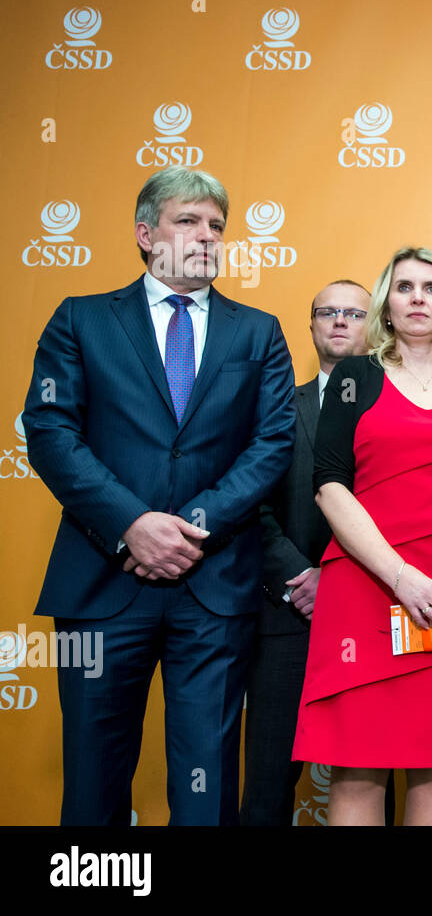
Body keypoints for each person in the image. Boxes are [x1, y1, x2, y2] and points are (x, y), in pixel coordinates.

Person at [22, 166, 296, 825]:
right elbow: (51, 432)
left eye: (217, 226)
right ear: (146, 234)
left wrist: (188, 526)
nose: (207, 236)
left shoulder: (257, 332)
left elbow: (272, 444)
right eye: (188, 220)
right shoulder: (80, 320)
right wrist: (132, 524)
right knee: (92, 784)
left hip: (213, 583)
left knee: (206, 789)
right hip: (100, 580)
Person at [293, 247, 432, 826]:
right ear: (386, 306)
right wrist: (401, 576)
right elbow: (329, 486)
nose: (418, 298)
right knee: (358, 766)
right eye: (404, 287)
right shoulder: (354, 377)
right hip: (368, 588)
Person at [240, 280, 372, 826]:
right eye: (328, 312)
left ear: (376, 323)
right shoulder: (274, 408)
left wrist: (338, 578)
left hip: (372, 612)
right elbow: (250, 505)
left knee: (371, 773)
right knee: (268, 780)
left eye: (354, 312)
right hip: (286, 614)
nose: (339, 321)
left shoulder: (403, 409)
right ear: (312, 323)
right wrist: (301, 576)